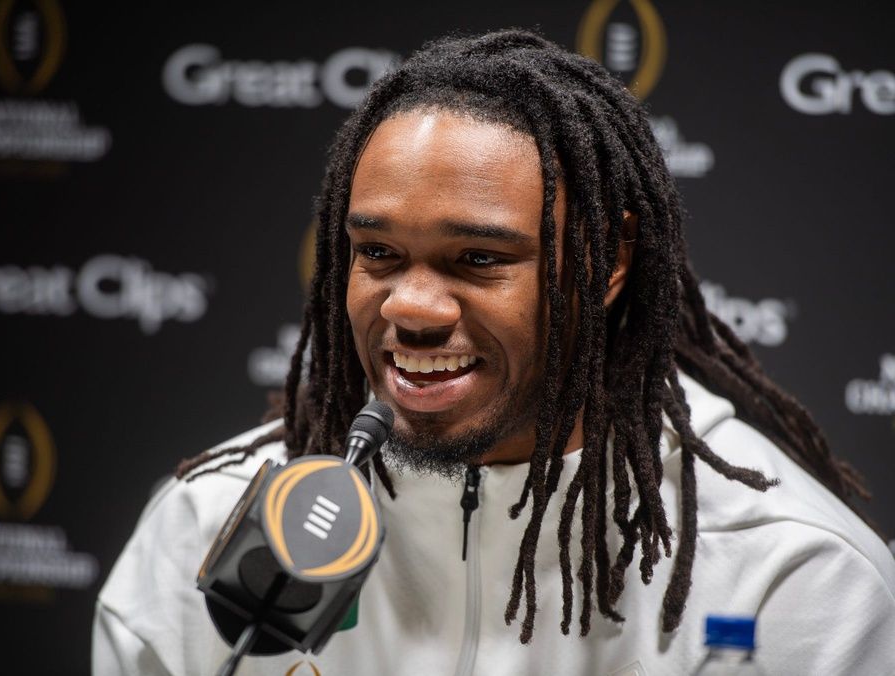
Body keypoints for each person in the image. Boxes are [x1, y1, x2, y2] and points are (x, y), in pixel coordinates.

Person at [93, 29, 895, 675]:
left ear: (606, 263)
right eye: (377, 253)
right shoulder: (207, 526)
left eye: (477, 260)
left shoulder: (791, 578)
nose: (410, 308)